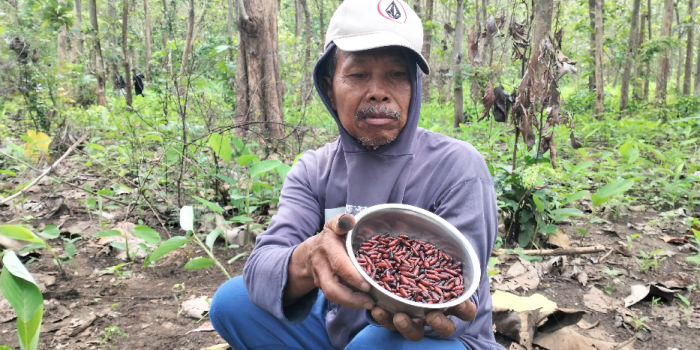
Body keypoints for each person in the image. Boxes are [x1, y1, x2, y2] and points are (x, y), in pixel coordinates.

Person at [209, 1, 504, 349]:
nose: (379, 91)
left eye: (396, 74)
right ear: (329, 87)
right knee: (232, 302)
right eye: (358, 74)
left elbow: (454, 300)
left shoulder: (457, 166)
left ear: (414, 87)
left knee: (374, 343)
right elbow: (260, 269)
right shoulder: (313, 169)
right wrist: (309, 259)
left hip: (432, 340)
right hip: (337, 322)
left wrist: (399, 299)